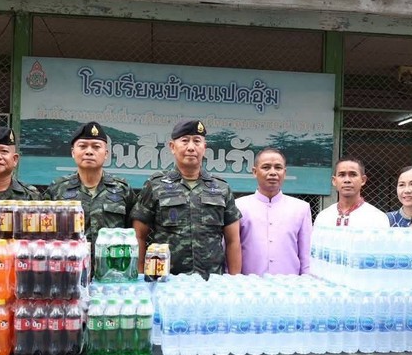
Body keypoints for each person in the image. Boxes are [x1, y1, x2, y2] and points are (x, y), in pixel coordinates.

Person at [131, 119, 242, 278]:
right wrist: (140, 276)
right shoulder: (155, 185)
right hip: (165, 281)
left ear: (204, 147)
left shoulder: (221, 188)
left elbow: (233, 240)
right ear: (172, 147)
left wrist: (235, 280)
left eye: (197, 141)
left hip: (211, 282)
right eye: (184, 141)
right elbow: (139, 236)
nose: (191, 147)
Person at [44, 121, 136, 251]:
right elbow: (45, 231)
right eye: (82, 146)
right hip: (70, 260)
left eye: (96, 147)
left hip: (112, 262)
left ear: (106, 153)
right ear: (73, 152)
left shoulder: (122, 189)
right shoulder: (57, 189)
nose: (89, 152)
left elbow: (132, 231)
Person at [235, 148, 312, 275]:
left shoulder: (301, 208)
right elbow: (230, 249)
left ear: (284, 173)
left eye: (278, 167)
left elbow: (306, 255)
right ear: (254, 172)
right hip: (248, 284)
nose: (273, 172)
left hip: (290, 284)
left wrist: (307, 281)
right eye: (266, 167)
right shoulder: (238, 206)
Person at [313, 155, 389, 228]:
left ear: (363, 180)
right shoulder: (323, 217)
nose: (347, 180)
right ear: (334, 181)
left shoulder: (377, 218)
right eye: (342, 175)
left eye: (353, 175)